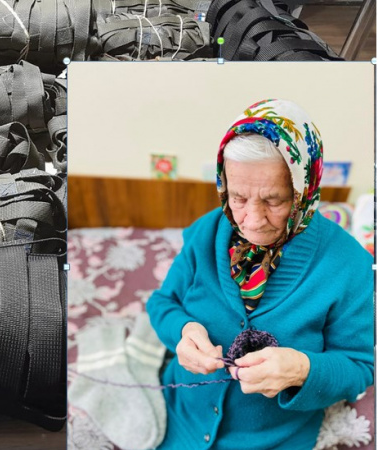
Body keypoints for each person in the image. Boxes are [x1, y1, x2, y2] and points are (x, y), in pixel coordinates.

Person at [146, 99, 374, 449]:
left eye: (273, 200)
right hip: (181, 419)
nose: (251, 221)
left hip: (275, 440)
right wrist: (183, 331)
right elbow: (163, 303)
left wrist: (302, 369)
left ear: (305, 190)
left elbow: (359, 367)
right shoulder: (207, 232)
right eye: (237, 197)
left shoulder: (349, 264)